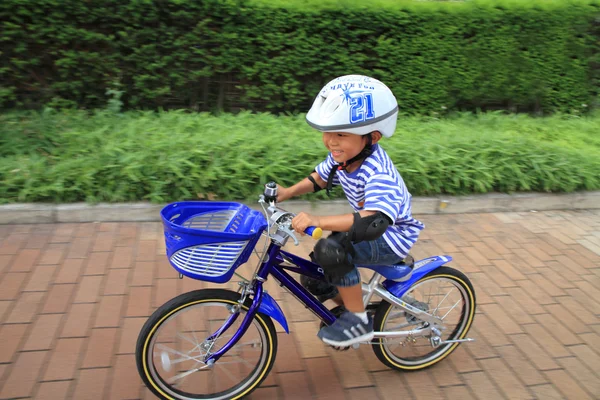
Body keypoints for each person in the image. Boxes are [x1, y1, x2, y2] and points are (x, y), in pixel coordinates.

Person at [275, 75, 424, 348]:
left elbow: (374, 222)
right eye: (328, 133)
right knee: (313, 275)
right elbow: (320, 178)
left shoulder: (379, 173)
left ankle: (357, 322)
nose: (331, 141)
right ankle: (353, 307)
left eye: (341, 134)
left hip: (391, 235)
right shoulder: (343, 157)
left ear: (373, 137)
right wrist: (287, 193)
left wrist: (318, 219)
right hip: (366, 228)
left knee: (330, 251)